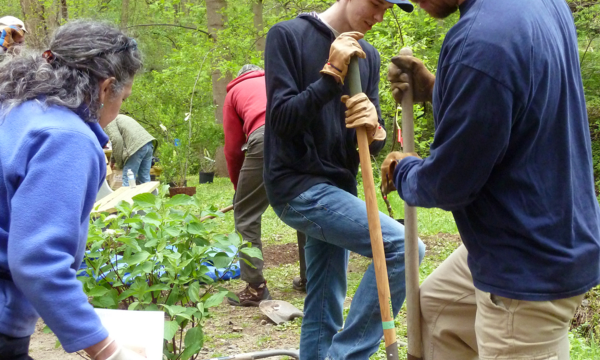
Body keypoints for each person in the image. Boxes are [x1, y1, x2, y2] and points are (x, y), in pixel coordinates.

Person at [381, 0, 600, 359]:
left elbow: (451, 183)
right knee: (437, 309)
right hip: (549, 234)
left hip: (526, 271)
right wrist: (436, 89)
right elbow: (511, 105)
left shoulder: (481, 42)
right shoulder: (538, 6)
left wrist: (402, 169)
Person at [263, 0, 425, 358]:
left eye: (387, 10)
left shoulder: (368, 55)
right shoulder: (288, 36)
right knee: (405, 247)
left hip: (340, 187)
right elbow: (281, 121)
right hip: (297, 186)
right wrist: (330, 75)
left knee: (325, 298)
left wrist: (374, 128)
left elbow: (369, 144)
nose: (379, 16)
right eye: (376, 4)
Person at [0, 20, 147, 360]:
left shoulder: (16, 109)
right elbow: (39, 259)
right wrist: (108, 350)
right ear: (105, 87)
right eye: (123, 97)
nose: (120, 107)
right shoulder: (67, 137)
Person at [223, 64, 308, 306]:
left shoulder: (234, 92)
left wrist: (240, 191)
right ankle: (311, 277)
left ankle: (255, 288)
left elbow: (232, 149)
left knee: (246, 215)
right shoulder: (278, 78)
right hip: (299, 137)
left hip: (264, 135)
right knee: (304, 205)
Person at [103, 114, 156, 186]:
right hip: (149, 144)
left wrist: (119, 164)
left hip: (136, 146)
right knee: (145, 180)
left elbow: (117, 141)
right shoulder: (119, 117)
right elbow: (116, 144)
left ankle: (127, 197)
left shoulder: (108, 121)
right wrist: (113, 160)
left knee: (128, 179)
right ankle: (151, 197)